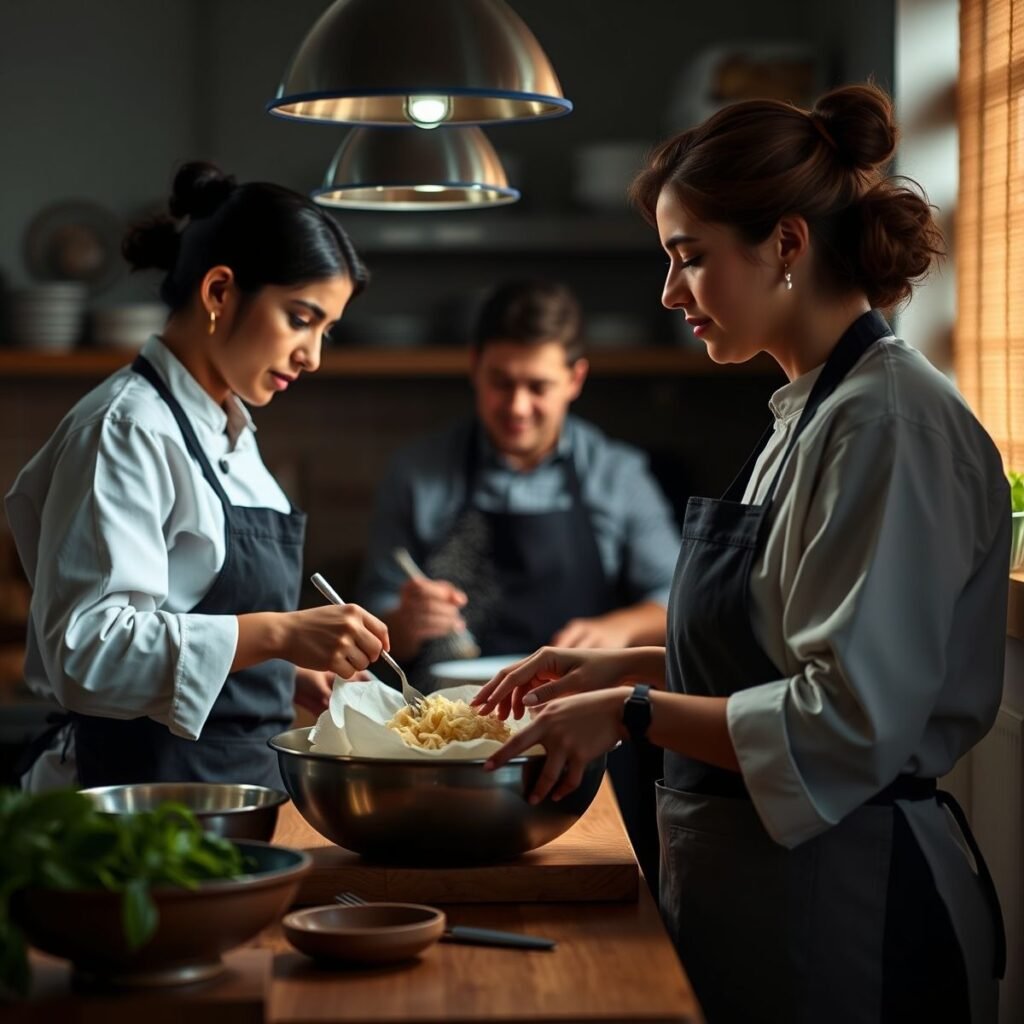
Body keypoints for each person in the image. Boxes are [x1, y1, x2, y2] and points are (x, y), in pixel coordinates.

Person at [473, 84, 1008, 1023]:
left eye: (690, 259)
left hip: (848, 906)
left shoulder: (885, 426)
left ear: (788, 245)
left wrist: (632, 709)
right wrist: (614, 668)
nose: (670, 292)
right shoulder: (810, 411)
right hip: (765, 888)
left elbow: (846, 719)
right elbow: (773, 656)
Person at [6, 162, 390, 792]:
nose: (313, 356)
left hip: (234, 792)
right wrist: (283, 632)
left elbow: (186, 611)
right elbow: (89, 653)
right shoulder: (124, 429)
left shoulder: (229, 430)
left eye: (327, 330)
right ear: (219, 293)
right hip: (134, 801)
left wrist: (283, 671)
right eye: (301, 318)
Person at [356, 278, 680, 888]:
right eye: (501, 382)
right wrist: (402, 621)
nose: (517, 406)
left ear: (575, 379)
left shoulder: (618, 475)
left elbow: (677, 602)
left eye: (539, 386)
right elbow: (369, 631)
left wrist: (614, 627)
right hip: (443, 746)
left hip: (580, 741)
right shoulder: (418, 474)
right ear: (475, 369)